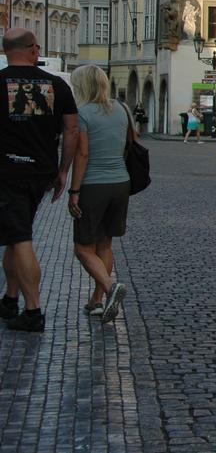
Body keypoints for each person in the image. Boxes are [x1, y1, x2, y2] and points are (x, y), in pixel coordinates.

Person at [0, 29, 79, 332]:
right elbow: (71, 131)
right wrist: (62, 171)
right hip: (40, 172)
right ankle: (9, 299)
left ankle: (32, 311)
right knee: (14, 235)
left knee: (20, 238)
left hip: (7, 172)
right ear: (33, 50)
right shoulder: (57, 85)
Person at [67, 65, 130, 323]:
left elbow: (82, 154)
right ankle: (96, 301)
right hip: (120, 182)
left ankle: (109, 287)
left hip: (94, 185)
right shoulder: (121, 109)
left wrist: (74, 190)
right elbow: (129, 143)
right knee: (105, 243)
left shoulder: (82, 113)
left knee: (83, 248)